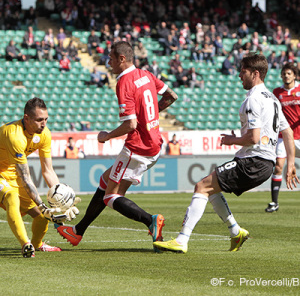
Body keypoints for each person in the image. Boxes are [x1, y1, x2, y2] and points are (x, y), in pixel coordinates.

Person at [153, 53, 298, 254]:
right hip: (264, 162)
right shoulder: (272, 99)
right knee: (211, 188)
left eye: (243, 71)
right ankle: (235, 231)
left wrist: (231, 140)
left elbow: (253, 138)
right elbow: (288, 132)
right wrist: (290, 163)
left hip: (253, 161)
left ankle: (182, 240)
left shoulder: (254, 99)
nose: (239, 75)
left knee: (201, 186)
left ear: (255, 73)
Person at [55, 41, 178, 251]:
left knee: (111, 196)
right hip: (154, 144)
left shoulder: (124, 82)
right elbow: (172, 96)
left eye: (111, 58)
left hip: (137, 148)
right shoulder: (145, 74)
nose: (108, 62)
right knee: (105, 181)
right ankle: (78, 231)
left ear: (122, 59)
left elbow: (130, 125)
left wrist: (107, 136)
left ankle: (151, 220)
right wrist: (150, 116)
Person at [0, 97, 79, 258]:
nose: (43, 124)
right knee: (12, 197)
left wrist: (61, 202)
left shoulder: (44, 134)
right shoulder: (14, 135)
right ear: (26, 118)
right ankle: (26, 245)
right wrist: (43, 204)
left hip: (13, 175)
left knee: (42, 216)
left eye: (46, 119)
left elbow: (48, 171)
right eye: (39, 120)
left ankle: (37, 244)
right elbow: (26, 178)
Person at [266, 63, 300, 212]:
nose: (286, 76)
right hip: (283, 136)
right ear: (281, 76)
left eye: (289, 73)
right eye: (284, 74)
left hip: (299, 135)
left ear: (294, 75)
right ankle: (274, 203)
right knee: (279, 166)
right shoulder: (277, 92)